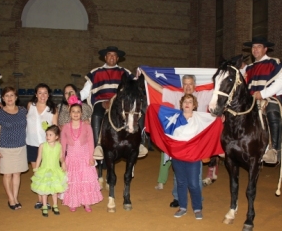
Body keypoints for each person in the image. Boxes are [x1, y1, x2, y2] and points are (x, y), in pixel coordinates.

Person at [141, 70, 213, 207]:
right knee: (178, 171)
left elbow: (222, 91)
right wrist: (145, 76)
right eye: (185, 84)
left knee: (196, 174)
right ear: (182, 85)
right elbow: (159, 89)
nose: (188, 87)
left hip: (196, 140)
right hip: (178, 140)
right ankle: (177, 198)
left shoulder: (204, 95)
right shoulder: (176, 96)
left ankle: (197, 199)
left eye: (190, 84)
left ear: (195, 85)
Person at [80, 46, 148, 160]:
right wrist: (74, 99)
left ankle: (139, 143)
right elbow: (85, 92)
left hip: (120, 102)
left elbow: (135, 87)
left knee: (139, 112)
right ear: (105, 57)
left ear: (118, 58)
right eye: (109, 55)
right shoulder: (95, 72)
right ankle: (98, 146)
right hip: (102, 101)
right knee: (97, 114)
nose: (112, 57)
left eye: (115, 55)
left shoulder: (125, 72)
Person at [242, 36, 282, 164]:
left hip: (270, 98)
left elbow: (281, 82)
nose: (255, 49)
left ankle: (274, 150)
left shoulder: (274, 62)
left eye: (258, 46)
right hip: (251, 100)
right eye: (253, 47)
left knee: (272, 112)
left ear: (265, 49)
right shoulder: (249, 68)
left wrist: (263, 94)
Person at [60, 95, 103, 212]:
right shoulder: (65, 128)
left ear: (81, 113)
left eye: (78, 111)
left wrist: (91, 157)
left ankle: (86, 202)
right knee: (73, 181)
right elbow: (63, 145)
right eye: (73, 111)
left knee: (85, 180)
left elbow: (90, 142)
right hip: (72, 159)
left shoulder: (87, 126)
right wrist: (62, 160)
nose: (75, 114)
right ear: (69, 113)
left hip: (84, 158)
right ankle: (73, 202)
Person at [0, 86, 28, 210]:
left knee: (17, 174)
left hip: (21, 147)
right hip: (6, 148)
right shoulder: (0, 114)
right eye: (6, 96)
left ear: (16, 97)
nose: (9, 98)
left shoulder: (23, 111)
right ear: (2, 98)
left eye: (12, 95)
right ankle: (11, 199)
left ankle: (15, 197)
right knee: (7, 174)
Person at [171, 94, 205, 219]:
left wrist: (220, 119)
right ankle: (182, 207)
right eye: (185, 101)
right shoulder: (175, 117)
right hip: (178, 156)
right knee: (180, 182)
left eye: (190, 102)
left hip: (193, 156)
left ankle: (197, 208)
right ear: (181, 104)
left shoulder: (200, 118)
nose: (187, 104)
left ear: (194, 105)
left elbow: (213, 122)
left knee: (194, 184)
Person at [26, 83, 58, 209]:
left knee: (47, 173)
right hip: (32, 144)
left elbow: (55, 128)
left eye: (45, 93)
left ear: (48, 95)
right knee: (37, 173)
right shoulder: (30, 106)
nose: (42, 95)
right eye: (40, 93)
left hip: (47, 146)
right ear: (36, 94)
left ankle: (47, 200)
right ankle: (40, 200)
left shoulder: (53, 109)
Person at [31, 125, 68, 217]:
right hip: (44, 170)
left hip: (55, 170)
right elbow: (39, 158)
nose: (48, 137)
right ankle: (44, 206)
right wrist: (36, 168)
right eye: (47, 134)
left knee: (54, 190)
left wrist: (63, 162)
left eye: (50, 135)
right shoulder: (42, 146)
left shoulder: (59, 146)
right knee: (44, 189)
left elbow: (60, 157)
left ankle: (55, 205)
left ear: (56, 137)